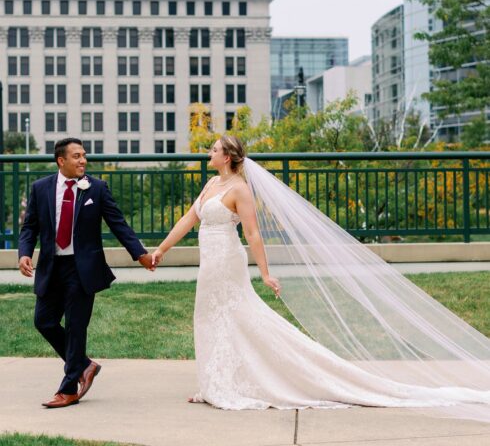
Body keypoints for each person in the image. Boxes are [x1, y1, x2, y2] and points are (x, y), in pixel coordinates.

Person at [151, 136, 490, 415]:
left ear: (227, 157)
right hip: (209, 262)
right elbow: (188, 219)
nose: (208, 153)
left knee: (237, 316)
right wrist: (162, 250)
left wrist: (265, 274)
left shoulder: (240, 189)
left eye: (213, 149)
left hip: (227, 260)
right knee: (209, 317)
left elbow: (253, 234)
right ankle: (215, 383)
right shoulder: (211, 183)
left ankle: (248, 381)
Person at [18, 137, 154, 409]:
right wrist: (24, 252)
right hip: (52, 267)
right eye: (77, 156)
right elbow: (29, 226)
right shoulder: (41, 188)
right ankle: (83, 365)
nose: (83, 161)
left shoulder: (97, 189)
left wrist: (140, 254)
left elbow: (118, 224)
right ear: (61, 161)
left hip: (83, 270)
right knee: (43, 321)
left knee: (76, 328)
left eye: (84, 156)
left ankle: (68, 389)